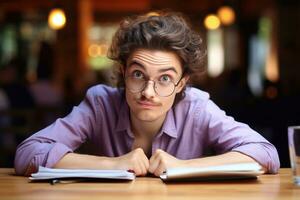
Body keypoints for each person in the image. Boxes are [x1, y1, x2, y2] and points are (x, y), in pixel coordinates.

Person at [15, 11, 280, 176]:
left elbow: (265, 153)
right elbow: (28, 153)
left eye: (165, 78)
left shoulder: (197, 107)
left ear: (181, 83)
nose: (148, 93)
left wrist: (184, 166)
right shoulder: (100, 103)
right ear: (123, 71)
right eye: (138, 75)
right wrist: (114, 164)